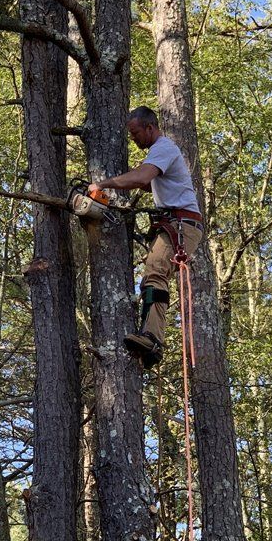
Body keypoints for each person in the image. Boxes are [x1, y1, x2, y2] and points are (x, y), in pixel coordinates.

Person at [89, 106, 203, 368]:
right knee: (154, 272)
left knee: (155, 270)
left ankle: (152, 338)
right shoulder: (159, 152)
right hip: (176, 222)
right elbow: (143, 182)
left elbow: (141, 177)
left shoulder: (163, 148)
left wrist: (102, 184)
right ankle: (151, 340)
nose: (133, 138)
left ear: (150, 127)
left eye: (136, 132)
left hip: (182, 223)